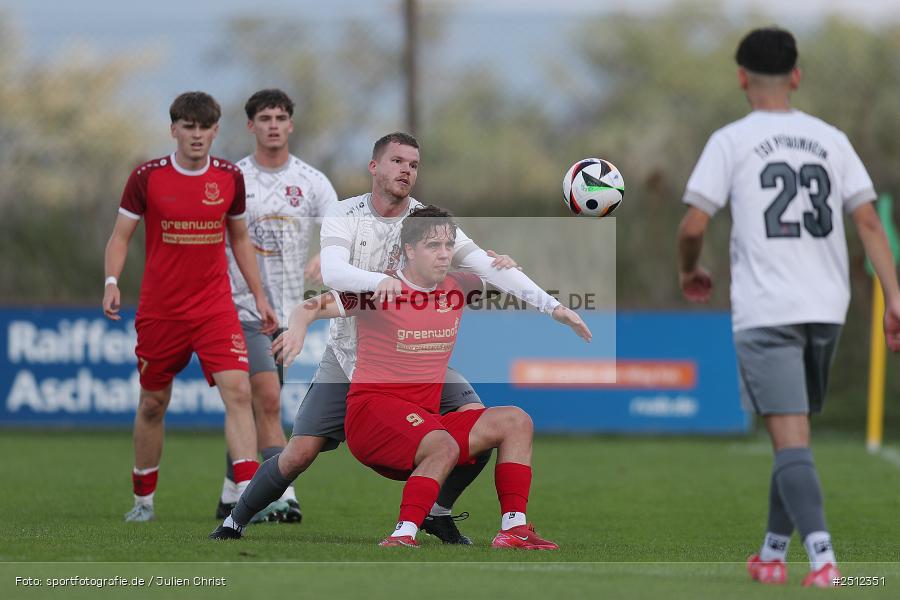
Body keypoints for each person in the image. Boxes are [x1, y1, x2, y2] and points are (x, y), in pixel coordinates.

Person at [210, 132, 588, 543]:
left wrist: (553, 306)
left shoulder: (427, 222)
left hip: (414, 356)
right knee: (299, 453)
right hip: (350, 354)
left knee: (479, 428)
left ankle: (438, 512)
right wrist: (380, 288)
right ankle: (234, 521)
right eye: (397, 161)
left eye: (413, 164)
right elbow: (332, 274)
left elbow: (489, 268)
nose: (406, 170)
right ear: (375, 166)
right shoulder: (346, 212)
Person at [677, 27, 900, 587]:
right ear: (796, 76)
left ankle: (825, 563)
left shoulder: (732, 140)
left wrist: (690, 268)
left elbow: (693, 224)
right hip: (827, 308)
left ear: (741, 78)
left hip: (767, 310)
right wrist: (894, 296)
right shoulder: (831, 138)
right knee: (792, 435)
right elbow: (870, 221)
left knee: (791, 440)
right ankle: (772, 556)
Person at [102, 91, 278, 522]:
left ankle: (246, 498)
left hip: (214, 308)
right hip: (161, 311)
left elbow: (238, 238)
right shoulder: (147, 177)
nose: (196, 135)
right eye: (188, 127)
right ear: (174, 130)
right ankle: (143, 501)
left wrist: (257, 295)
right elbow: (121, 235)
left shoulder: (229, 177)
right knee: (152, 404)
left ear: (216, 131)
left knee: (239, 391)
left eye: (204, 128)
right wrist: (111, 281)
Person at [216, 89, 338, 523]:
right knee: (266, 398)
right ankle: (282, 493)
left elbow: (338, 229)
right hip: (239, 307)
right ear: (251, 125)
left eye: (280, 117)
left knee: (260, 401)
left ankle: (233, 490)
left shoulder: (312, 181)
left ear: (290, 125)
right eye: (264, 117)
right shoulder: (233, 178)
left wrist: (325, 254)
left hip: (289, 314)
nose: (273, 124)